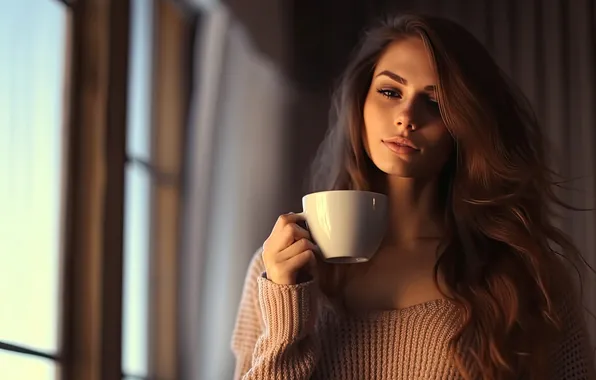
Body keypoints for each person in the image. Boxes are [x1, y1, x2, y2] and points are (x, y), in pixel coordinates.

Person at [230, 13, 596, 380]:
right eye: (390, 92)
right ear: (360, 103)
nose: (406, 116)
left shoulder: (522, 274)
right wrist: (285, 312)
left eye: (435, 103)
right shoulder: (279, 265)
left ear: (465, 124)